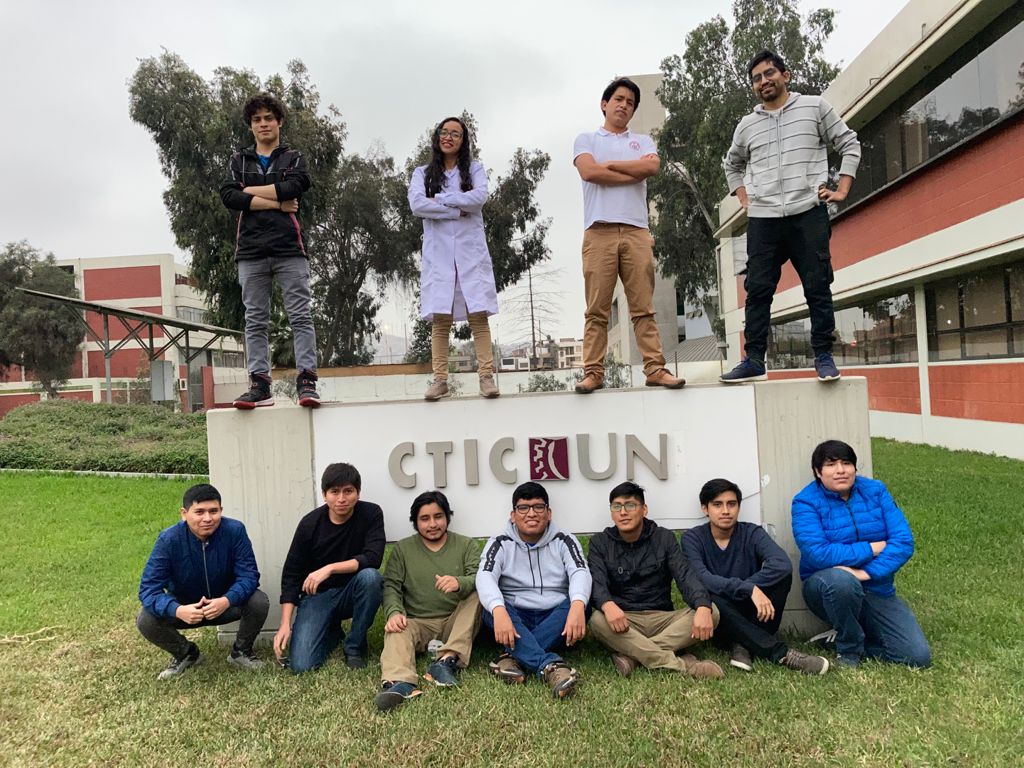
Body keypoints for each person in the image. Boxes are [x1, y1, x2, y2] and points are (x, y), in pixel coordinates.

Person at [720, 50, 861, 384]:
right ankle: (753, 359)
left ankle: (824, 356)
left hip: (807, 214)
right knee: (757, 290)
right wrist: (744, 198)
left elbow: (849, 144)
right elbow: (732, 164)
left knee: (818, 285)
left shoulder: (815, 107)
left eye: (769, 73)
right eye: (756, 78)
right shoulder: (747, 125)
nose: (764, 81)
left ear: (786, 74)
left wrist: (841, 189)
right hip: (764, 219)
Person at [572, 77, 685, 394]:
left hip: (636, 231)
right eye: (619, 99)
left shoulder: (644, 142)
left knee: (643, 307)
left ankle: (655, 369)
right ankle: (593, 372)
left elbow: (650, 169)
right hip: (598, 231)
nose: (624, 105)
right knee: (597, 309)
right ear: (605, 104)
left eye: (631, 103)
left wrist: (609, 167)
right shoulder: (586, 139)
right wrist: (627, 169)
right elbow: (589, 172)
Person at [792, 440, 931, 668]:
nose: (840, 470)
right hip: (827, 587)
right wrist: (872, 548)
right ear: (818, 472)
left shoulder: (875, 491)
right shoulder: (805, 502)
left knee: (917, 657)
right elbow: (818, 553)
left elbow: (903, 542)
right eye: (831, 464)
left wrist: (866, 573)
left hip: (877, 588)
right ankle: (849, 649)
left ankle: (837, 640)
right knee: (841, 580)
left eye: (846, 463)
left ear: (855, 468)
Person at [220, 92, 320, 409]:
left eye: (268, 118)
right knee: (256, 320)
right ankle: (260, 385)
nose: (263, 124)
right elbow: (228, 196)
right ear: (251, 126)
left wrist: (248, 191)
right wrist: (277, 203)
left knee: (300, 317)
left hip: (289, 248)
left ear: (279, 122)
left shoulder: (293, 157)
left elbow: (295, 186)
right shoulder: (239, 160)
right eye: (257, 120)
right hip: (250, 251)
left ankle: (307, 382)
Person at [682, 478, 829, 675]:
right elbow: (701, 577)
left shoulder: (752, 533)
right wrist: (749, 589)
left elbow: (781, 565)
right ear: (705, 509)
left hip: (758, 614)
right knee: (711, 596)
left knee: (782, 577)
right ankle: (782, 654)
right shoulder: (693, 538)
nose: (725, 510)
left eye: (731, 504)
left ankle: (742, 645)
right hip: (721, 618)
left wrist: (751, 589)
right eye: (717, 505)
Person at [588, 482, 723, 680]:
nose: (623, 512)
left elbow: (685, 576)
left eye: (630, 505)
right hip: (624, 620)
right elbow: (596, 582)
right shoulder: (600, 542)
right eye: (617, 506)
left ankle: (633, 656)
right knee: (597, 620)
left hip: (663, 619)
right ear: (611, 513)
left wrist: (703, 605)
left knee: (713, 612)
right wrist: (608, 606)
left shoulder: (664, 538)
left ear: (644, 510)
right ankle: (685, 666)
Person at [409, 116, 500, 401]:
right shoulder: (422, 174)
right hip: (439, 255)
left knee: (478, 313)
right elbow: (417, 205)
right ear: (437, 137)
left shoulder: (474, 170)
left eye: (456, 134)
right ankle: (440, 379)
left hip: (469, 252)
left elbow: (480, 198)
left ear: (463, 141)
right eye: (445, 132)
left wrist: (441, 199)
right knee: (440, 318)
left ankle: (486, 375)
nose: (449, 137)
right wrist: (454, 207)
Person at [137, 483, 269, 680]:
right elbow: (148, 589)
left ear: (221, 511)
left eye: (213, 511)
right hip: (186, 608)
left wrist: (226, 600)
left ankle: (240, 651)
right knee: (146, 619)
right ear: (184, 513)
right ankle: (187, 653)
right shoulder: (169, 539)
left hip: (225, 604)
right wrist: (177, 609)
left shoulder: (235, 531)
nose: (207, 518)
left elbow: (249, 576)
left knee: (259, 601)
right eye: (199, 512)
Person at [476, 482, 592, 698]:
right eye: (523, 508)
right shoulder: (499, 542)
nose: (531, 513)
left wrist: (577, 605)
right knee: (490, 609)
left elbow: (580, 572)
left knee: (581, 602)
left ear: (548, 513)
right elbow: (484, 577)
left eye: (538, 507)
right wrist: (499, 610)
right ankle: (549, 666)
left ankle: (512, 656)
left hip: (555, 616)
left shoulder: (564, 539)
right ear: (513, 515)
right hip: (516, 617)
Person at [375, 491, 481, 712]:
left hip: (456, 622)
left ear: (447, 518)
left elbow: (479, 576)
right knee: (396, 627)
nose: (433, 524)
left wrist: (459, 582)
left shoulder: (466, 545)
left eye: (438, 516)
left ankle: (445, 663)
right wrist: (394, 612)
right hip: (418, 623)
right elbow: (391, 585)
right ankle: (399, 683)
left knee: (479, 593)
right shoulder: (403, 549)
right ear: (415, 522)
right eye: (425, 518)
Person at [274, 462, 385, 672]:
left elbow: (373, 557)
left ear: (358, 493)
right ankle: (332, 632)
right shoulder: (310, 524)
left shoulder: (371, 514)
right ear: (324, 495)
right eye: (335, 492)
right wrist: (285, 624)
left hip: (352, 591)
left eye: (348, 491)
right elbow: (291, 575)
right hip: (317, 596)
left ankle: (354, 647)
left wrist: (330, 568)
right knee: (302, 666)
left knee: (371, 577)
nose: (342, 499)